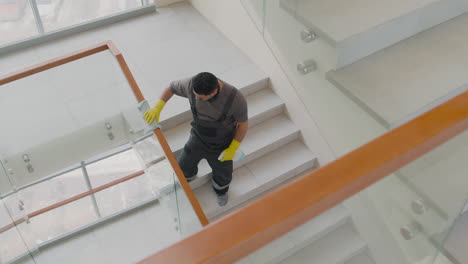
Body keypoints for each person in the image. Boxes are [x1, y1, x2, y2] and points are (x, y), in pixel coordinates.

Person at [144, 72, 248, 206]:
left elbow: (243, 125)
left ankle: (220, 191)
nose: (196, 99)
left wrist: (233, 148)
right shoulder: (191, 84)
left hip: (222, 144)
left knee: (224, 174)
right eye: (195, 96)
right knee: (183, 165)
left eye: (201, 98)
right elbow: (171, 87)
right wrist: (158, 107)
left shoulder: (235, 98)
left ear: (214, 92)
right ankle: (188, 178)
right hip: (197, 137)